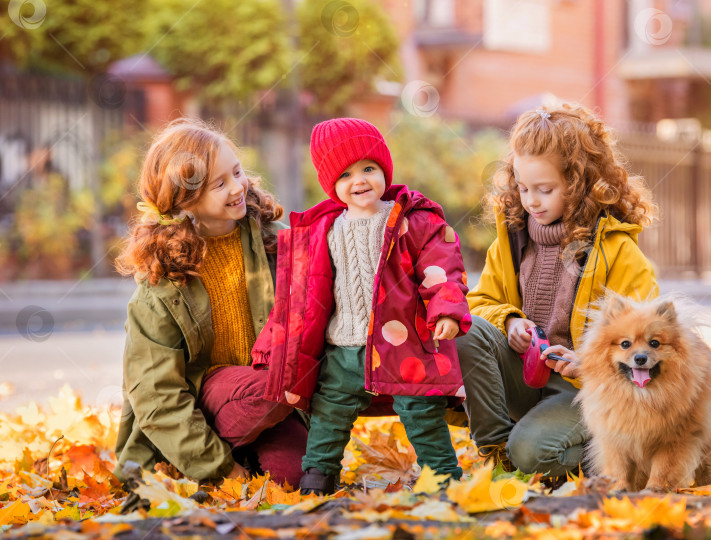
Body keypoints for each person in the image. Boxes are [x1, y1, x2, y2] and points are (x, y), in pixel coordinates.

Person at [251, 118, 471, 495]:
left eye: (369, 168)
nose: (360, 181)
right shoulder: (323, 229)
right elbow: (298, 297)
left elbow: (441, 266)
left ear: (384, 170)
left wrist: (447, 308)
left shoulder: (412, 220)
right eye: (346, 175)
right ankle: (318, 476)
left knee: (420, 412)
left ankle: (444, 479)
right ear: (332, 186)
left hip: (405, 344)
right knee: (328, 413)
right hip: (343, 347)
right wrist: (271, 343)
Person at [456, 105, 659, 477]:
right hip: (523, 379)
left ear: (579, 184)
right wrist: (510, 319)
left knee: (535, 454)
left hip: (583, 393)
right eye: (522, 187)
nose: (531, 200)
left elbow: (644, 343)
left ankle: (616, 458)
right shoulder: (511, 239)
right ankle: (498, 451)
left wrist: (588, 365)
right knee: (464, 328)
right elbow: (479, 303)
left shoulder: (618, 252)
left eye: (544, 189)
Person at [113, 118, 307, 486]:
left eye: (237, 172)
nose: (237, 188)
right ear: (186, 200)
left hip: (270, 404)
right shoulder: (161, 287)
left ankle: (249, 449)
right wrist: (223, 471)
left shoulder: (275, 244)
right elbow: (158, 397)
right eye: (220, 183)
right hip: (206, 405)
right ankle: (206, 458)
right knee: (274, 384)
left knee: (296, 478)